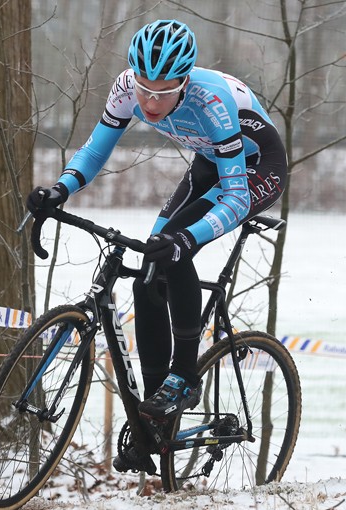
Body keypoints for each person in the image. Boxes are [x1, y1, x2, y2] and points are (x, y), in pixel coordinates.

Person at [27, 19, 288, 472]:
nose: (149, 101)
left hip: (256, 167)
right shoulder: (128, 87)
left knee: (174, 248)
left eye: (162, 93)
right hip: (213, 160)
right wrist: (60, 189)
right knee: (150, 273)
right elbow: (95, 150)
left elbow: (235, 196)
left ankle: (184, 376)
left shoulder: (212, 102)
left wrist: (187, 239)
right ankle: (154, 416)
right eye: (144, 88)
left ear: (184, 82)